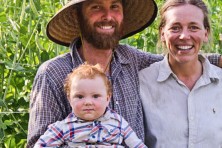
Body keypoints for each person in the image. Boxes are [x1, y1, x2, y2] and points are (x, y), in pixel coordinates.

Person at [27, 0, 221, 147]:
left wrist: (215, 60)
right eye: (96, 7)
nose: (107, 16)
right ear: (78, 17)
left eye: (114, 7)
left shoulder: (130, 59)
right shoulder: (53, 74)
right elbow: (39, 142)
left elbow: (176, 57)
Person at [139, 0, 222, 147]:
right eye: (175, 27)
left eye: (193, 27)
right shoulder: (142, 83)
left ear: (206, 33)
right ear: (162, 33)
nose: (184, 36)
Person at [34, 63, 146, 148]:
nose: (88, 102)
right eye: (80, 96)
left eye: (96, 96)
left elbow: (137, 145)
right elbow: (42, 145)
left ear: (107, 98)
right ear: (69, 99)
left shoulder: (118, 122)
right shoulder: (64, 127)